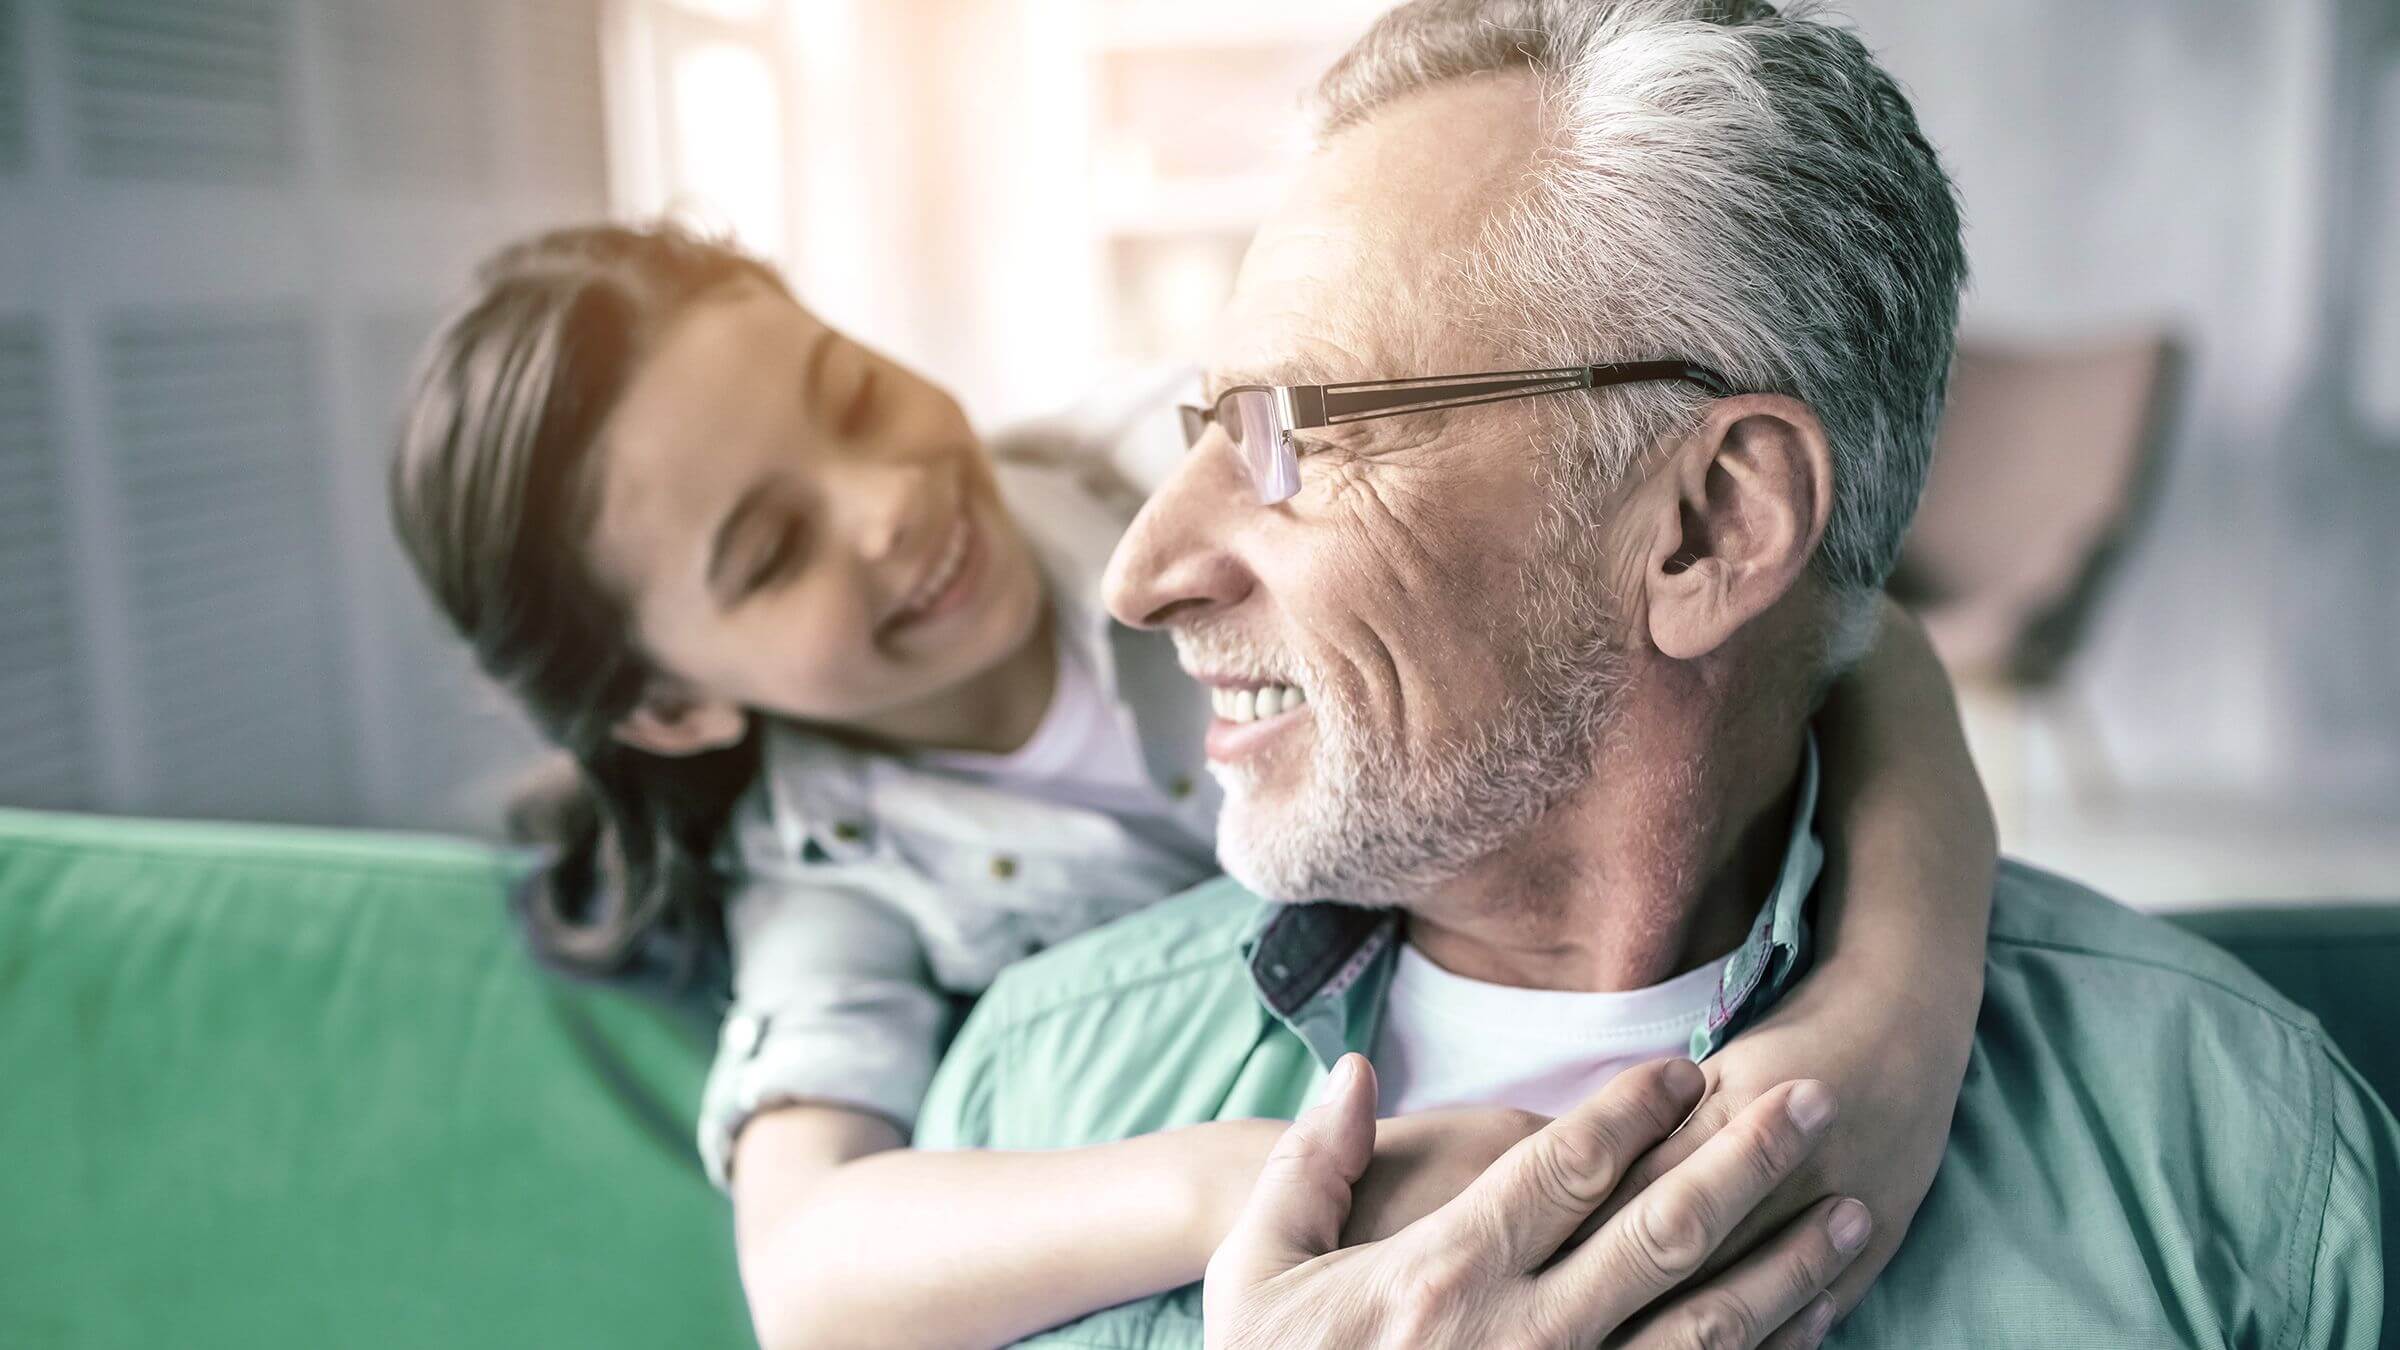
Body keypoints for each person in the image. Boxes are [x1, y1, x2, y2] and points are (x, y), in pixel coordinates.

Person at [914, 1, 2400, 1346]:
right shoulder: (1024, 1113)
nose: (1144, 571)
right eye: (1203, 428)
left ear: (1708, 526)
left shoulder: (2237, 1157)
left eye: (1295, 432)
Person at [386, 214, 1992, 1347]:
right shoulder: (835, 873)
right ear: (670, 708)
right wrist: (1247, 1181)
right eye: (771, 550)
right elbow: (811, 1272)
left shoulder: (1166, 453)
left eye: (852, 395)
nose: (883, 504)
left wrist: (1896, 1015)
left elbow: (1850, 630)